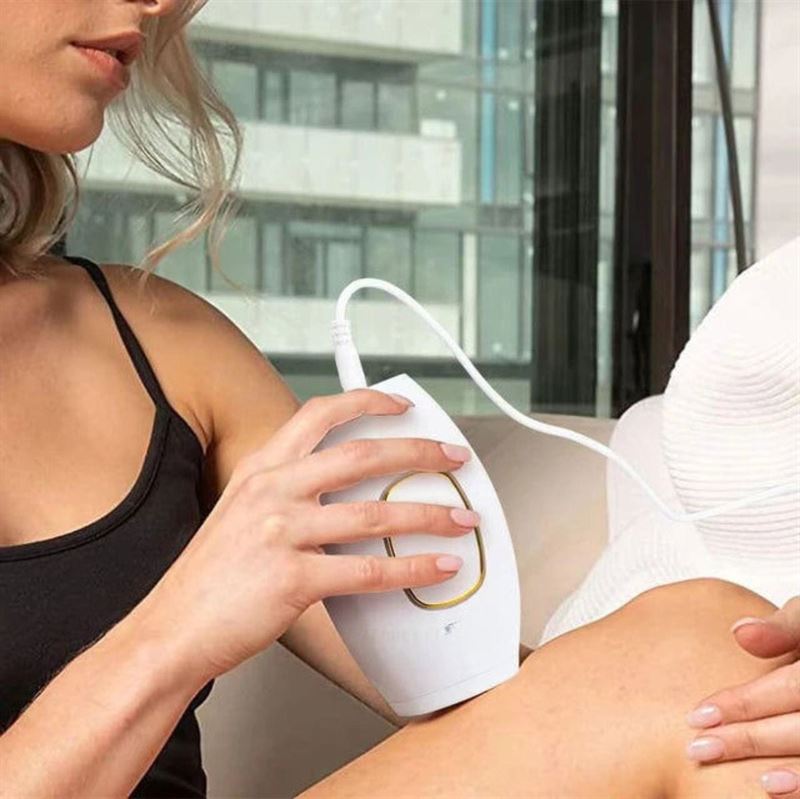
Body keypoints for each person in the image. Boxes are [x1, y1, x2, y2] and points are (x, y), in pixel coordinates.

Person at [0, 1, 796, 797]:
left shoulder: (165, 346)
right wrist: (174, 630)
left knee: (708, 677)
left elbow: (519, 706)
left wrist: (721, 684)